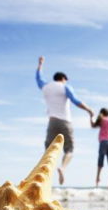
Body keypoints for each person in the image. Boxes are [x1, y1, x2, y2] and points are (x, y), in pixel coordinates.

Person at [35, 56, 94, 185]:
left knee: (48, 151)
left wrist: (40, 64)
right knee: (69, 149)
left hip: (52, 122)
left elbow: (38, 78)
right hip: (65, 121)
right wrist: (89, 110)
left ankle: (43, 178)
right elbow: (75, 101)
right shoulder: (64, 87)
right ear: (63, 79)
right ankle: (62, 168)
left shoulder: (46, 87)